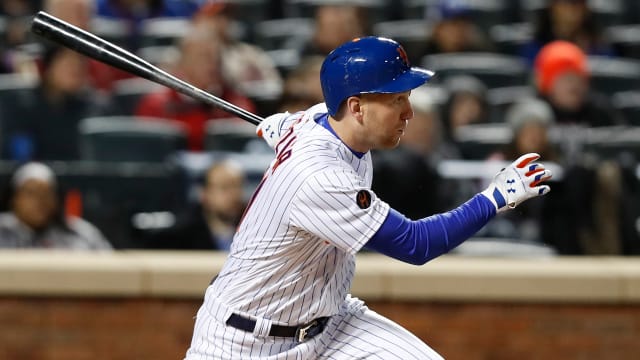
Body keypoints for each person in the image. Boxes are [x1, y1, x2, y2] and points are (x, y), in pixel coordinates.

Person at [184, 37, 552, 359]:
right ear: (357, 108)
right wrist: (494, 198)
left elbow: (302, 123)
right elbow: (415, 244)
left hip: (330, 328)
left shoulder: (318, 120)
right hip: (243, 343)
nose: (409, 113)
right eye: (397, 100)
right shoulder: (320, 177)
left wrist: (285, 127)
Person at [134, 27, 255, 151]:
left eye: (216, 58)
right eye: (203, 57)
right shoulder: (156, 104)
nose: (212, 64)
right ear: (183, 62)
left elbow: (243, 142)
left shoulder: (234, 102)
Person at [0, 44, 107, 161]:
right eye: (68, 63)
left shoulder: (96, 108)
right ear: (48, 67)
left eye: (81, 62)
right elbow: (18, 158)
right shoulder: (23, 105)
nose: (76, 67)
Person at [0, 162, 112, 250]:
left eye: (46, 194)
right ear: (14, 199)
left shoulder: (80, 234)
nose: (39, 201)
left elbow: (111, 269)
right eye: (30, 193)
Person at [146, 159, 246, 250]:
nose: (234, 194)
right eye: (224, 187)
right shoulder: (181, 237)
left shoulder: (252, 230)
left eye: (238, 187)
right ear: (205, 194)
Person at [533, 40, 624, 128]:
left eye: (578, 77)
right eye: (565, 78)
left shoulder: (601, 112)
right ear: (548, 85)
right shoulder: (534, 115)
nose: (573, 85)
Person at [521, 0, 614, 65]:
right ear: (553, 6)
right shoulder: (536, 45)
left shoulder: (599, 45)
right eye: (566, 2)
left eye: (577, 3)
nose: (571, 9)